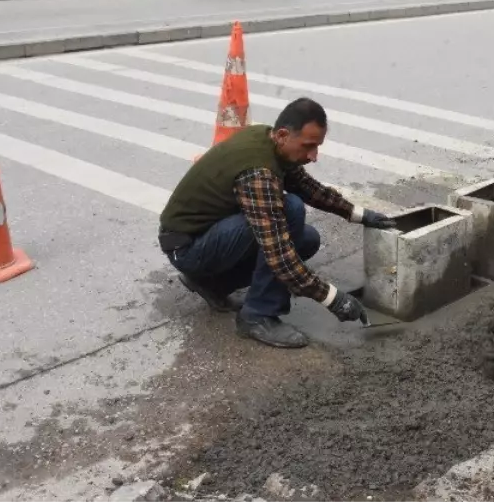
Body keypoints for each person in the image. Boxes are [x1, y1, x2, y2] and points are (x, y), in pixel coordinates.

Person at [157, 98, 400, 348]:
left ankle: (212, 284)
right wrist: (333, 298)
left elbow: (307, 187)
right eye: (309, 146)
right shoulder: (258, 172)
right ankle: (257, 316)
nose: (314, 156)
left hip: (207, 235)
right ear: (284, 134)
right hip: (188, 247)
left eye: (317, 147)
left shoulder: (270, 141)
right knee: (290, 211)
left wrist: (359, 214)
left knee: (306, 240)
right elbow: (280, 257)